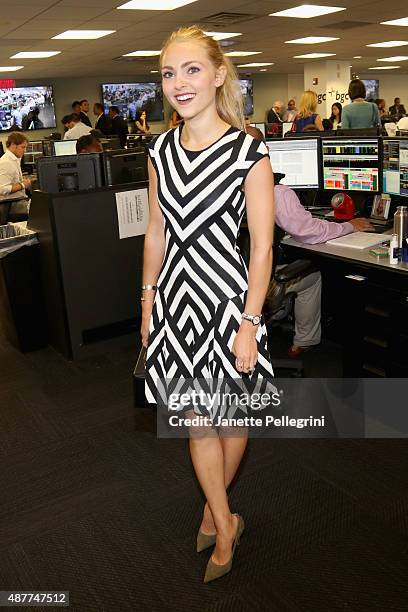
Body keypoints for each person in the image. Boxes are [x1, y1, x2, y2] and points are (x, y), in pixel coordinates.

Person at [142, 25, 275, 583]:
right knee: (197, 423)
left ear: (219, 74)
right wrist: (146, 303)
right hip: (176, 303)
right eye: (170, 73)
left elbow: (264, 246)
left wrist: (249, 320)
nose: (179, 83)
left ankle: (210, 508)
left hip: (227, 302)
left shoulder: (250, 151)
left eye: (191, 69)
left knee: (232, 419)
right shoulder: (158, 150)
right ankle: (225, 523)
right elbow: (155, 232)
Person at [266, 184, 374, 357]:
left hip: (234, 280)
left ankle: (277, 314)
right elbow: (310, 232)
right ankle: (304, 341)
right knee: (312, 276)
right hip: (262, 284)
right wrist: (349, 226)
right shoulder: (277, 191)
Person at [0, 132, 31, 222]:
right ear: (13, 145)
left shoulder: (13, 159)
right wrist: (23, 185)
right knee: (43, 210)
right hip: (12, 205)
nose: (24, 150)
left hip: (18, 201)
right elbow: (2, 189)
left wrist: (21, 181)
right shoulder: (6, 162)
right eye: (23, 147)